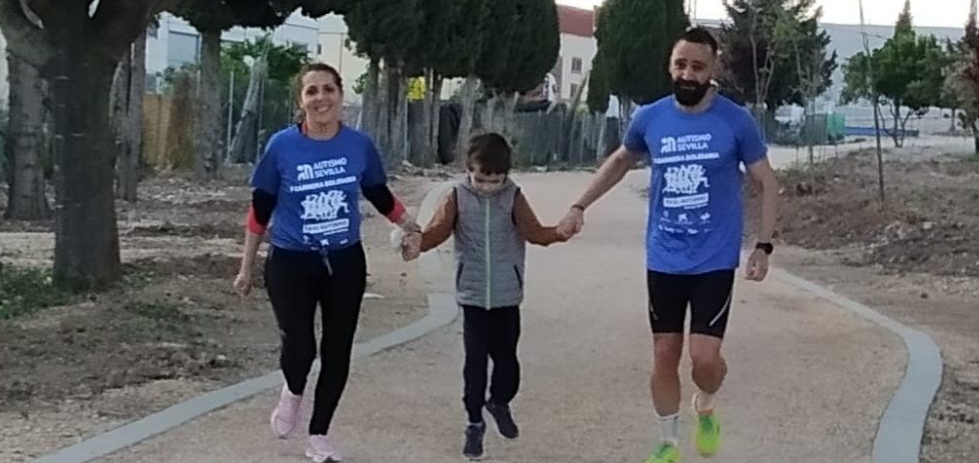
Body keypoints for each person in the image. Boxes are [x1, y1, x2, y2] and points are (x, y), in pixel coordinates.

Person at [556, 27, 780, 463]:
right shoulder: (651, 118)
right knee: (664, 353)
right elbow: (621, 160)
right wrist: (579, 205)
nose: (688, 74)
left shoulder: (736, 121)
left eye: (698, 66)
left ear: (713, 68)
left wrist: (763, 246)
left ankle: (707, 404)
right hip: (664, 255)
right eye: (681, 64)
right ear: (670, 65)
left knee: (704, 358)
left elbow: (767, 184)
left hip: (714, 257)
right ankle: (667, 442)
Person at [232, 62, 421, 463]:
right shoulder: (281, 147)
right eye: (311, 91)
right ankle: (293, 388)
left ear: (341, 95)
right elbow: (260, 209)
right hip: (290, 261)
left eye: (328, 89)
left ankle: (319, 434)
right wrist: (246, 266)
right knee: (300, 348)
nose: (321, 98)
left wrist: (410, 225)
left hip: (344, 260)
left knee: (338, 350)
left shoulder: (359, 145)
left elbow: (378, 193)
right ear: (301, 101)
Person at [399, 132, 569, 460]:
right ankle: (474, 423)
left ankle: (499, 401)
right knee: (474, 363)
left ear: (506, 174)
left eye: (496, 180)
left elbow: (534, 232)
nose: (488, 187)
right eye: (481, 179)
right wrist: (417, 244)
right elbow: (436, 231)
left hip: (507, 295)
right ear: (469, 170)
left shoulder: (514, 196)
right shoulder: (457, 197)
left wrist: (559, 233)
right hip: (473, 295)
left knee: (507, 361)